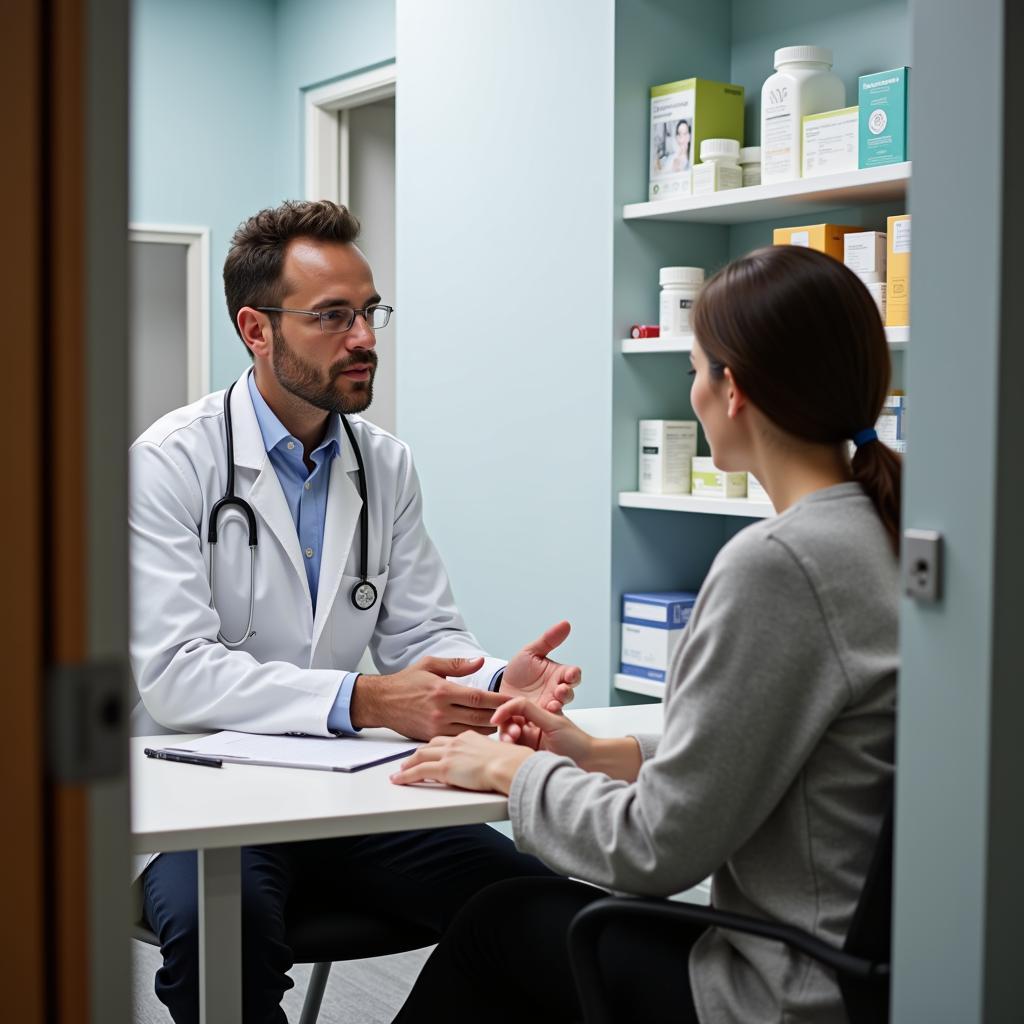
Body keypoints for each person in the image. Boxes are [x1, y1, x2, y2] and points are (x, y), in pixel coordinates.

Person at [388, 244, 900, 1024]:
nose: (691, 389)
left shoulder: (781, 565)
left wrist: (505, 772)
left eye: (696, 368)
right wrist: (600, 754)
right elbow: (772, 748)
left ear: (734, 391)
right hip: (873, 973)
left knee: (500, 923)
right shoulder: (890, 535)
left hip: (791, 994)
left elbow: (655, 853)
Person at [129, 199, 581, 1024]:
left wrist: (491, 681)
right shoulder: (167, 464)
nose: (365, 337)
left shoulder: (385, 465)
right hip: (210, 799)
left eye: (368, 312)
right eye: (332, 316)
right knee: (216, 934)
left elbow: (425, 635)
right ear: (256, 330)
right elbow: (174, 678)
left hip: (354, 794)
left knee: (541, 912)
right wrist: (365, 699)